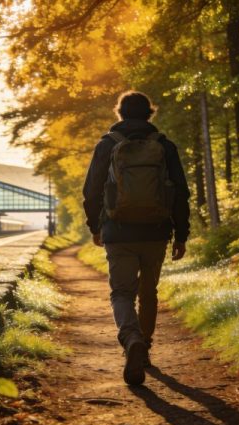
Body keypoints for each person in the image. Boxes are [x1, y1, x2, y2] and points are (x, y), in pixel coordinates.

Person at [82, 91, 191, 385]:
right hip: (156, 231)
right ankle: (144, 350)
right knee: (149, 292)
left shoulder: (107, 145)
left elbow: (91, 191)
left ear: (119, 114)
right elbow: (180, 192)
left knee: (121, 293)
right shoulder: (164, 146)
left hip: (118, 232)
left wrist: (95, 227)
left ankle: (131, 339)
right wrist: (181, 234)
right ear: (149, 114)